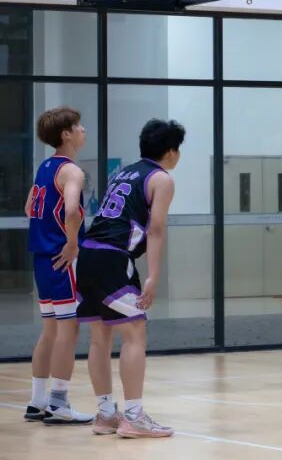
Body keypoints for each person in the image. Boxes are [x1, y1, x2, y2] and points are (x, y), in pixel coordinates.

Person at [77, 118, 185, 438]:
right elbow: (156, 230)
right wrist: (153, 276)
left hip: (88, 254)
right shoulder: (161, 179)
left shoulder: (123, 172)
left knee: (99, 337)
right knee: (135, 332)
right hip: (113, 258)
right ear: (171, 151)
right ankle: (134, 417)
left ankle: (106, 414)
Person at [24, 107, 92, 425]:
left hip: (41, 258)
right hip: (62, 258)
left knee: (50, 330)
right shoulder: (71, 171)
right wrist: (72, 244)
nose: (83, 130)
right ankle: (59, 403)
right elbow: (72, 211)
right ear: (66, 134)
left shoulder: (45, 167)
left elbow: (29, 207)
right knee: (69, 328)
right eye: (79, 126)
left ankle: (37, 402)